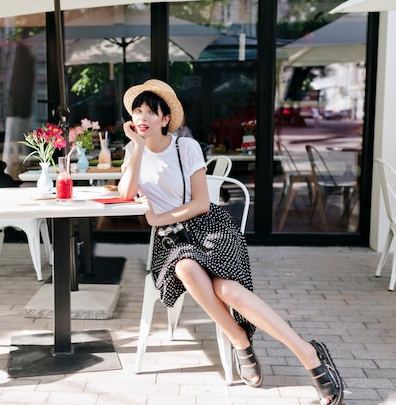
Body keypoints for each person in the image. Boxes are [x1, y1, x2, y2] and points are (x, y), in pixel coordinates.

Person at [118, 79, 344, 405]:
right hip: (172, 241)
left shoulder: (186, 147)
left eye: (150, 112)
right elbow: (125, 194)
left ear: (165, 118)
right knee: (185, 267)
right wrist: (137, 148)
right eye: (137, 112)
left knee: (227, 290)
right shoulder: (132, 150)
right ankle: (239, 337)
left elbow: (200, 204)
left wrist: (158, 218)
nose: (142, 118)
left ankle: (306, 353)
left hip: (210, 229)